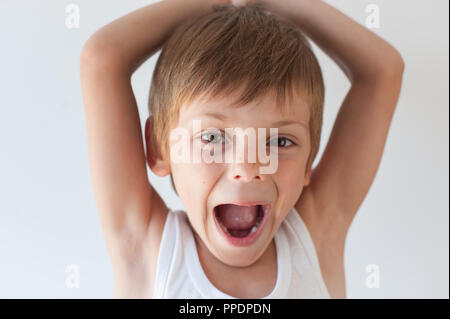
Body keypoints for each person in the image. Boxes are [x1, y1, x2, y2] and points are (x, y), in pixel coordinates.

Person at [80, 0, 404, 299]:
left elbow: (384, 70)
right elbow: (101, 59)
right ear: (160, 148)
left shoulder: (314, 239)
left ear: (309, 161)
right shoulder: (148, 249)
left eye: (279, 142)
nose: (248, 168)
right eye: (212, 138)